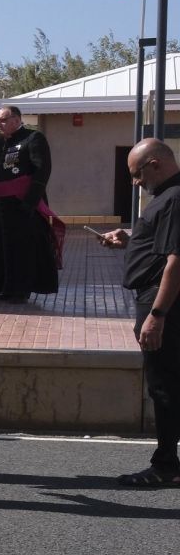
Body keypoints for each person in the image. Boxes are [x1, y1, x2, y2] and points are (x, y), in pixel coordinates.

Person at [99, 140, 180, 487]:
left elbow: (176, 260)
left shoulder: (175, 198)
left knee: (163, 385)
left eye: (136, 174)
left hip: (161, 303)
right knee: (168, 382)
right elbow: (161, 246)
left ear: (155, 163)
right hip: (156, 300)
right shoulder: (168, 197)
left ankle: (165, 465)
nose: (135, 183)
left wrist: (157, 314)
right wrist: (131, 239)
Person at [0, 106, 59, 301]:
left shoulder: (33, 139)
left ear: (16, 120)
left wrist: (29, 202)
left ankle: (21, 290)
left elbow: (42, 171)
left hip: (21, 206)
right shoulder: (0, 143)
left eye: (3, 120)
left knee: (22, 250)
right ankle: (5, 288)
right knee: (0, 249)